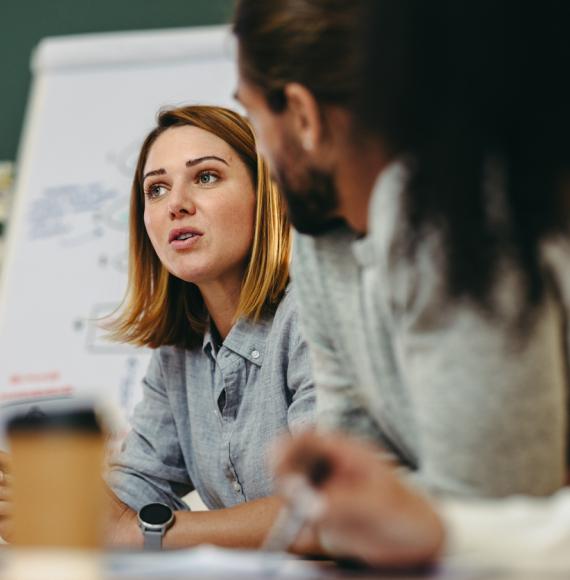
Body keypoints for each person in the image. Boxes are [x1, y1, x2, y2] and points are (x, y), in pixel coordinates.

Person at [238, 0, 570, 569]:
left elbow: (496, 500)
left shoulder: (456, 225)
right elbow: (348, 496)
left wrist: (402, 518)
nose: (260, 155)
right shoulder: (321, 242)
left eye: (251, 118)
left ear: (302, 115)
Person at [0, 105, 316, 549]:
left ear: (266, 196)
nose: (176, 205)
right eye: (157, 189)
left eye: (206, 177)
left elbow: (332, 509)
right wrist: (50, 503)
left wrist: (142, 531)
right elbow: (134, 493)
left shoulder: (315, 317)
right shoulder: (179, 352)